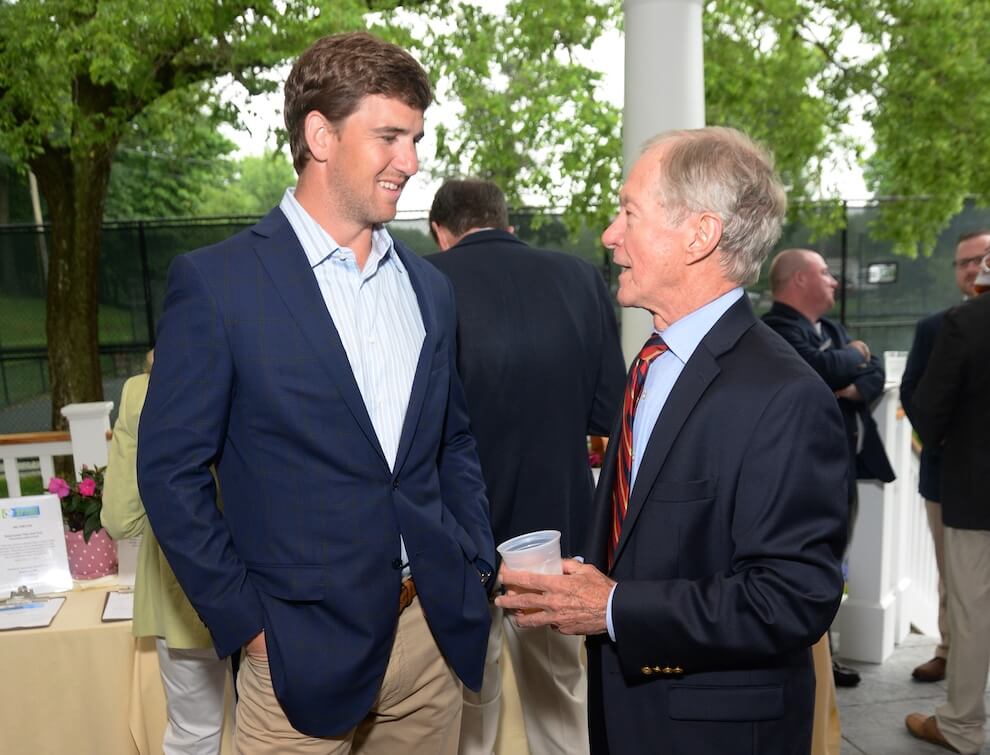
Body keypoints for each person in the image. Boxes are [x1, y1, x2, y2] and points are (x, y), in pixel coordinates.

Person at [136, 32, 494, 755]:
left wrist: (472, 560)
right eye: (390, 135)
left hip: (430, 641)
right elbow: (169, 473)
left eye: (418, 137)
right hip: (295, 656)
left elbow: (452, 440)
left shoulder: (430, 288)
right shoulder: (218, 283)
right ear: (320, 134)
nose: (413, 161)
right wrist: (250, 627)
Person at [495, 126, 849, 755]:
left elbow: (792, 597)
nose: (609, 234)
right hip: (628, 712)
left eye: (629, 211)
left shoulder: (783, 395)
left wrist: (611, 608)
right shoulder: (655, 362)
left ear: (700, 235)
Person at [426, 178, 626, 755]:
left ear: (443, 232)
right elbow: (607, 409)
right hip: (552, 526)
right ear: (505, 221)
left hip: (458, 528)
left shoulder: (426, 279)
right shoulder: (580, 277)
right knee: (560, 694)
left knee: (470, 694)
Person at [763, 247, 896, 688]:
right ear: (799, 279)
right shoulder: (773, 329)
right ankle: (808, 656)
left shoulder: (834, 328)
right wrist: (852, 359)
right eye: (825, 273)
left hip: (843, 470)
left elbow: (874, 371)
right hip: (800, 474)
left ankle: (827, 655)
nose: (835, 281)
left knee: (836, 564)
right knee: (809, 563)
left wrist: (854, 380)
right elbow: (815, 367)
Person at [102, 350, 231, 754]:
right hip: (273, 575)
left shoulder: (142, 393)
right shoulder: (256, 373)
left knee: (195, 733)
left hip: (185, 586)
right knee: (278, 730)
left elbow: (121, 519)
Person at [904, 277, 990, 755]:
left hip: (976, 495)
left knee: (973, 612)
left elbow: (929, 413)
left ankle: (961, 727)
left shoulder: (966, 322)